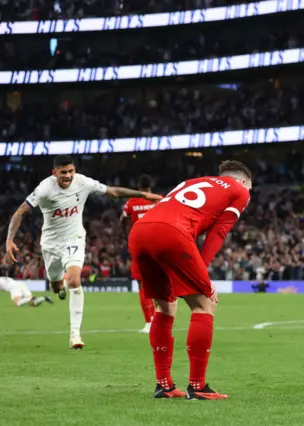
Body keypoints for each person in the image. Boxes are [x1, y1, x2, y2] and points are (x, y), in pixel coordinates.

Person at [4, 155, 162, 349]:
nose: (68, 176)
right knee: (56, 287)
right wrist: (9, 240)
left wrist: (144, 195)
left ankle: (75, 335)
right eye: (63, 172)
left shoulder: (83, 182)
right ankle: (59, 285)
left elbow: (113, 191)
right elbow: (20, 212)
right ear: (54, 173)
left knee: (74, 281)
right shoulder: (45, 188)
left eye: (71, 171)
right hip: (50, 244)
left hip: (74, 239)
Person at [128, 160, 251, 400]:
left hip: (140, 232)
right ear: (243, 181)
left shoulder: (191, 182)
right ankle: (197, 386)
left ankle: (164, 385)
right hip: (171, 233)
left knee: (164, 307)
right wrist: (202, 273)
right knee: (205, 303)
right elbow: (219, 232)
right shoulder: (240, 191)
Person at [121, 174, 158, 334]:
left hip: (140, 245)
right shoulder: (159, 200)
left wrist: (127, 233)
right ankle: (161, 320)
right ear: (151, 186)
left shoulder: (131, 202)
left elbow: (122, 219)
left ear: (138, 186)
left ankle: (149, 322)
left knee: (142, 285)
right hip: (158, 244)